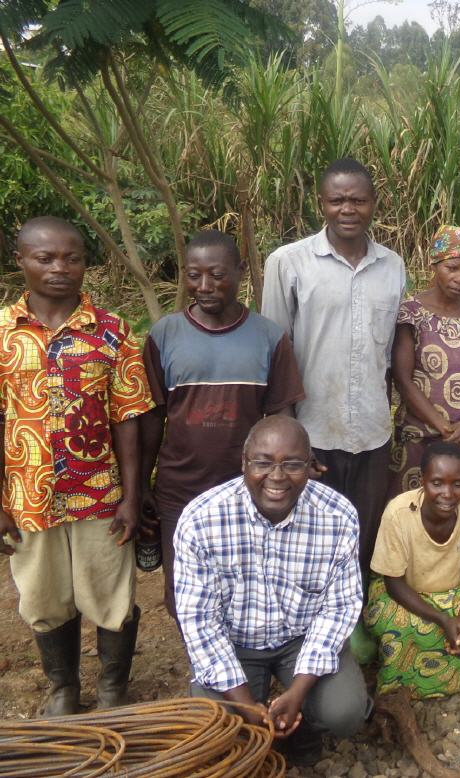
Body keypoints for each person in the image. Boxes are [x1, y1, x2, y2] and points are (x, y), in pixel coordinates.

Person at [0, 217, 153, 715]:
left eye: (72, 257)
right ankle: (63, 688)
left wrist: (133, 497)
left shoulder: (112, 332)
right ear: (21, 261)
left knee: (110, 593)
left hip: (98, 494)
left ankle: (112, 690)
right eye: (45, 258)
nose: (60, 268)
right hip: (29, 496)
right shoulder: (3, 335)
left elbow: (128, 419)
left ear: (86, 263)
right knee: (43, 597)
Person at [175, 416, 368, 767]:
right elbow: (200, 622)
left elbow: (338, 610)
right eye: (263, 463)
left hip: (300, 639)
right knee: (213, 722)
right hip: (234, 642)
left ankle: (303, 726)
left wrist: (298, 692)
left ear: (310, 467)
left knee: (344, 710)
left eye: (292, 464)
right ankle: (255, 725)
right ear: (244, 464)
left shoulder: (338, 516)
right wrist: (246, 703)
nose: (277, 477)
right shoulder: (201, 520)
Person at [141, 230, 304, 617]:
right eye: (194, 275)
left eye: (216, 274)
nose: (205, 286)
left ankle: (242, 667)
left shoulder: (268, 337)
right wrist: (143, 484)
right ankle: (205, 671)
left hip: (245, 487)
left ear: (241, 272)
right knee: (183, 587)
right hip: (180, 487)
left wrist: (286, 472)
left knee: (242, 581)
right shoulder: (165, 334)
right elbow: (152, 416)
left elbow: (282, 414)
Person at [262, 158, 406, 575]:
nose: (348, 209)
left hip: (372, 431)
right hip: (312, 430)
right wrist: (289, 436)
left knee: (362, 533)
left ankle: (352, 624)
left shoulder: (392, 266)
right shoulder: (288, 262)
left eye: (358, 200)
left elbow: (390, 351)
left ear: (374, 204)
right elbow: (276, 351)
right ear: (321, 203)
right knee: (307, 534)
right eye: (337, 200)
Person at [364, 441, 460, 699]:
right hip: (405, 595)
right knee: (400, 627)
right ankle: (401, 691)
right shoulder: (398, 513)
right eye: (437, 483)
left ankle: (456, 682)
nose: (447, 493)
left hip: (453, 594)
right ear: (422, 480)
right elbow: (393, 583)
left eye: (457, 484)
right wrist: (442, 620)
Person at [389, 225, 460, 496]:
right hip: (420, 435)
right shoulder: (412, 312)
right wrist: (442, 426)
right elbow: (403, 378)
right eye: (452, 268)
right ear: (435, 264)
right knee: (413, 509)